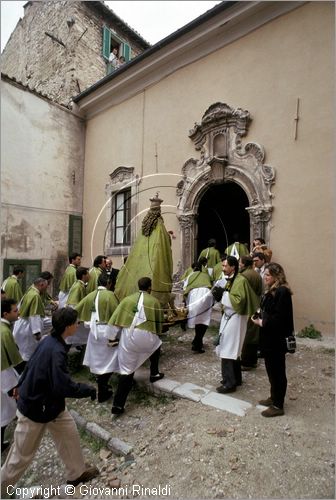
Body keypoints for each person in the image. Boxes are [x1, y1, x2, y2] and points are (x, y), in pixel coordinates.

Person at [0, 308, 99, 495]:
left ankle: (76, 473)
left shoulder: (50, 341)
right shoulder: (55, 351)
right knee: (20, 457)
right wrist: (87, 389)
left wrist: (20, 386)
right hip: (35, 409)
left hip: (51, 406)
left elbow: (29, 367)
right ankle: (1, 488)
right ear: (69, 326)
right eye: (76, 322)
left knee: (69, 435)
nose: (78, 325)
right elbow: (63, 386)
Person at [108, 277, 164, 415]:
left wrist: (111, 338)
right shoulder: (154, 302)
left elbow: (115, 320)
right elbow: (159, 324)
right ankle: (154, 373)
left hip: (128, 336)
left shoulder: (127, 300)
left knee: (126, 371)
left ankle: (118, 405)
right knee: (157, 344)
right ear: (149, 287)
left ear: (138, 286)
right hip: (146, 336)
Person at [251, 263, 294, 417]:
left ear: (277, 276)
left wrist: (261, 322)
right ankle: (274, 397)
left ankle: (278, 405)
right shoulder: (272, 290)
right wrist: (258, 315)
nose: (265, 277)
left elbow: (280, 318)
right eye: (265, 274)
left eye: (268, 275)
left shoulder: (282, 292)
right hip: (269, 338)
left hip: (276, 340)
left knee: (278, 372)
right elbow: (267, 310)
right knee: (271, 370)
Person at [114, 195, 173, 307]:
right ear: (159, 211)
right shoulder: (159, 224)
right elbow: (163, 241)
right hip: (155, 259)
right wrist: (168, 236)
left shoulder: (144, 225)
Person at [215, 256, 259, 394]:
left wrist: (224, 295)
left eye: (225, 266)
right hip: (229, 317)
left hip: (235, 317)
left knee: (228, 348)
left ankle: (229, 384)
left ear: (233, 267)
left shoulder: (239, 280)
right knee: (233, 348)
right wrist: (221, 294)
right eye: (222, 266)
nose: (223, 268)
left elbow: (239, 301)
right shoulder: (232, 279)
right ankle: (236, 379)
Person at [77, 274, 119, 403]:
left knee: (99, 361)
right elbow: (117, 313)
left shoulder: (90, 295)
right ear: (109, 283)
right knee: (110, 360)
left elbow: (76, 309)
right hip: (107, 331)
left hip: (93, 331)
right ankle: (103, 388)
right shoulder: (110, 295)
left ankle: (102, 388)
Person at [1, 299, 25, 453]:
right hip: (4, 374)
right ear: (6, 314)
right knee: (4, 410)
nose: (18, 313)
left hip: (4, 372)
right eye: (15, 311)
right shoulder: (4, 332)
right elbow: (15, 359)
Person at [13, 277, 48, 361]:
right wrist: (37, 332)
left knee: (22, 352)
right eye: (46, 286)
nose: (46, 289)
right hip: (27, 328)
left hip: (21, 324)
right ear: (41, 284)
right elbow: (34, 315)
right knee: (28, 355)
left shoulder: (30, 291)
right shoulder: (35, 296)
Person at [239, 255, 263, 370]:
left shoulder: (243, 275)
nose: (239, 264)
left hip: (246, 308)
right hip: (256, 306)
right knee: (254, 334)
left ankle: (245, 362)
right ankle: (252, 361)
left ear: (243, 264)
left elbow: (241, 294)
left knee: (245, 334)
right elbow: (260, 291)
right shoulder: (257, 275)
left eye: (240, 262)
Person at [183, 262, 213, 353]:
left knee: (196, 319)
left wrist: (185, 302)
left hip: (194, 294)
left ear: (193, 269)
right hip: (207, 294)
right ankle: (197, 341)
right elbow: (212, 283)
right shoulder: (206, 275)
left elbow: (185, 288)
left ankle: (197, 342)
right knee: (204, 319)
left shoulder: (190, 276)